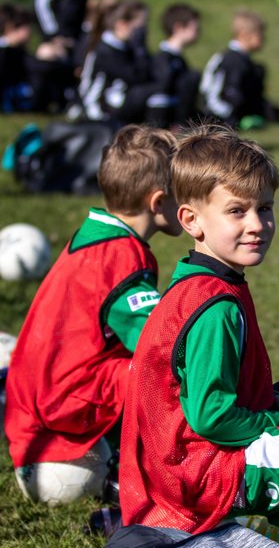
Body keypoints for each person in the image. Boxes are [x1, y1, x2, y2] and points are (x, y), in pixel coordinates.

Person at [115, 124, 279, 548]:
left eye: (265, 208)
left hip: (190, 454)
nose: (257, 224)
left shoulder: (208, 277)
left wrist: (275, 400)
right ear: (191, 220)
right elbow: (211, 417)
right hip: (197, 476)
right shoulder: (213, 306)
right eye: (237, 211)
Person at [4, 125, 182, 505]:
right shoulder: (122, 259)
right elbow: (163, 342)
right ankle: (152, 479)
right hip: (66, 400)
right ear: (158, 201)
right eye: (183, 195)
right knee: (168, 377)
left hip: (39, 386)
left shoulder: (93, 234)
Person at [73, 0, 170, 126]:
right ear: (121, 24)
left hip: (118, 102)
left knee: (156, 91)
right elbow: (136, 77)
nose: (143, 31)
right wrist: (139, 49)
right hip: (100, 111)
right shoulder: (105, 51)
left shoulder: (125, 47)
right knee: (151, 90)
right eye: (140, 26)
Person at [200, 10, 279, 130]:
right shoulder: (233, 61)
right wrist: (231, 118)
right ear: (245, 35)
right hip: (217, 112)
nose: (264, 38)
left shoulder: (243, 59)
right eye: (260, 34)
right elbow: (223, 94)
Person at [152, 2, 202, 128]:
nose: (199, 31)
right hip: (164, 120)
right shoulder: (163, 59)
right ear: (179, 28)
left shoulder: (177, 58)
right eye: (195, 28)